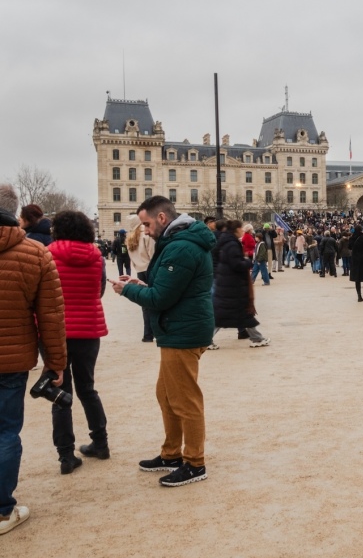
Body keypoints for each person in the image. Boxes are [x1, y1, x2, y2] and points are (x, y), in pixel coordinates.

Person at [111, 196, 215, 486]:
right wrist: (141, 284)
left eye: (145, 223)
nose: (143, 230)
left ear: (161, 218)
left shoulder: (180, 247)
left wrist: (127, 291)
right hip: (179, 327)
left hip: (183, 330)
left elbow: (161, 298)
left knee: (184, 399)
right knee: (167, 394)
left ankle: (194, 463)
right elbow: (165, 289)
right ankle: (171, 454)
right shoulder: (177, 243)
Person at [0, 184, 67, 534]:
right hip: (10, 360)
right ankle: (1, 510)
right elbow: (51, 316)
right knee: (6, 432)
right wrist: (55, 363)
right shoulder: (36, 254)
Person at [47, 211, 110, 473]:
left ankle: (66, 455)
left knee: (61, 393)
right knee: (88, 388)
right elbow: (99, 290)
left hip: (57, 331)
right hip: (88, 328)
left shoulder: (48, 253)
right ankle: (100, 442)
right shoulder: (96, 255)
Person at [209, 220, 269, 350]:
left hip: (229, 284)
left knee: (239, 315)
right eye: (240, 228)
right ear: (235, 229)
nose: (242, 230)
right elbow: (235, 264)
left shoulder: (227, 242)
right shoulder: (231, 244)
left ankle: (257, 338)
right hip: (232, 285)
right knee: (233, 314)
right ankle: (206, 339)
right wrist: (247, 262)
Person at [125, 214, 156, 342]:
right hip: (150, 269)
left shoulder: (130, 237)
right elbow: (152, 253)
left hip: (140, 270)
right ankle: (158, 333)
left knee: (145, 304)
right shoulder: (146, 234)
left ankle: (147, 334)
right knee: (157, 300)